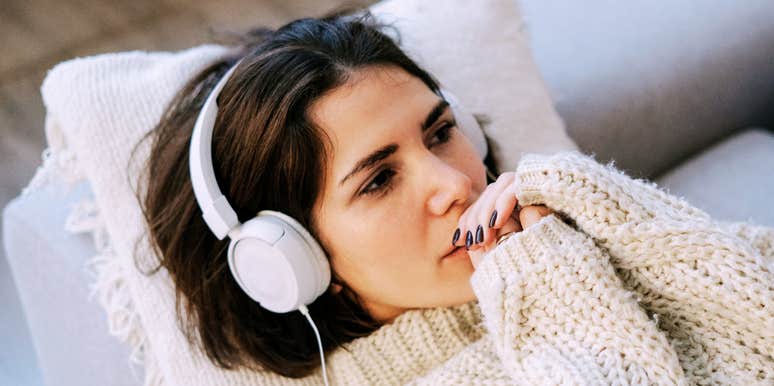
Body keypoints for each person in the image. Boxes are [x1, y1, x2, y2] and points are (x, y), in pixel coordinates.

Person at [138, 7, 774, 385]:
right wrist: (548, 280)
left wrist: (604, 214)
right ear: (292, 259)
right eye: (379, 179)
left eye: (440, 133)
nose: (454, 184)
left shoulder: (570, 242)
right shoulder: (551, 274)